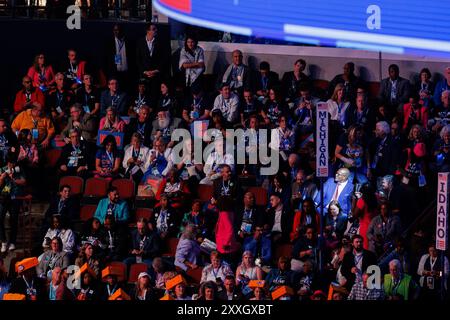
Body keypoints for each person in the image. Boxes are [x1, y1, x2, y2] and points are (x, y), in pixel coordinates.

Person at [0, 152, 26, 253]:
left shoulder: (18, 169)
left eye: (14, 163)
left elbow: (24, 181)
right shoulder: (2, 169)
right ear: (7, 162)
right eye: (11, 163)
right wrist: (2, 177)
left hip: (15, 197)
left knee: (14, 220)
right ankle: (3, 241)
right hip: (4, 197)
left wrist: (13, 179)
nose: (12, 165)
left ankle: (12, 242)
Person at [136, 23, 167, 98]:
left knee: (154, 96)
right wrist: (145, 71)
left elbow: (163, 59)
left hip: (156, 76)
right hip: (144, 75)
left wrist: (155, 71)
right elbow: (138, 59)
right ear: (147, 31)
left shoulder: (160, 42)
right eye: (153, 29)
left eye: (155, 29)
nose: (156, 31)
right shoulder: (140, 42)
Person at [104, 24, 133, 90]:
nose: (116, 32)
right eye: (115, 30)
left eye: (118, 30)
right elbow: (105, 60)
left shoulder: (129, 42)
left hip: (127, 74)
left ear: (122, 31)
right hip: (114, 75)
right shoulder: (109, 43)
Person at [215, 195, 241, 265]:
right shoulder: (229, 213)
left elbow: (230, 230)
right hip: (226, 243)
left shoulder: (224, 214)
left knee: (226, 265)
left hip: (225, 245)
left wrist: (226, 243)